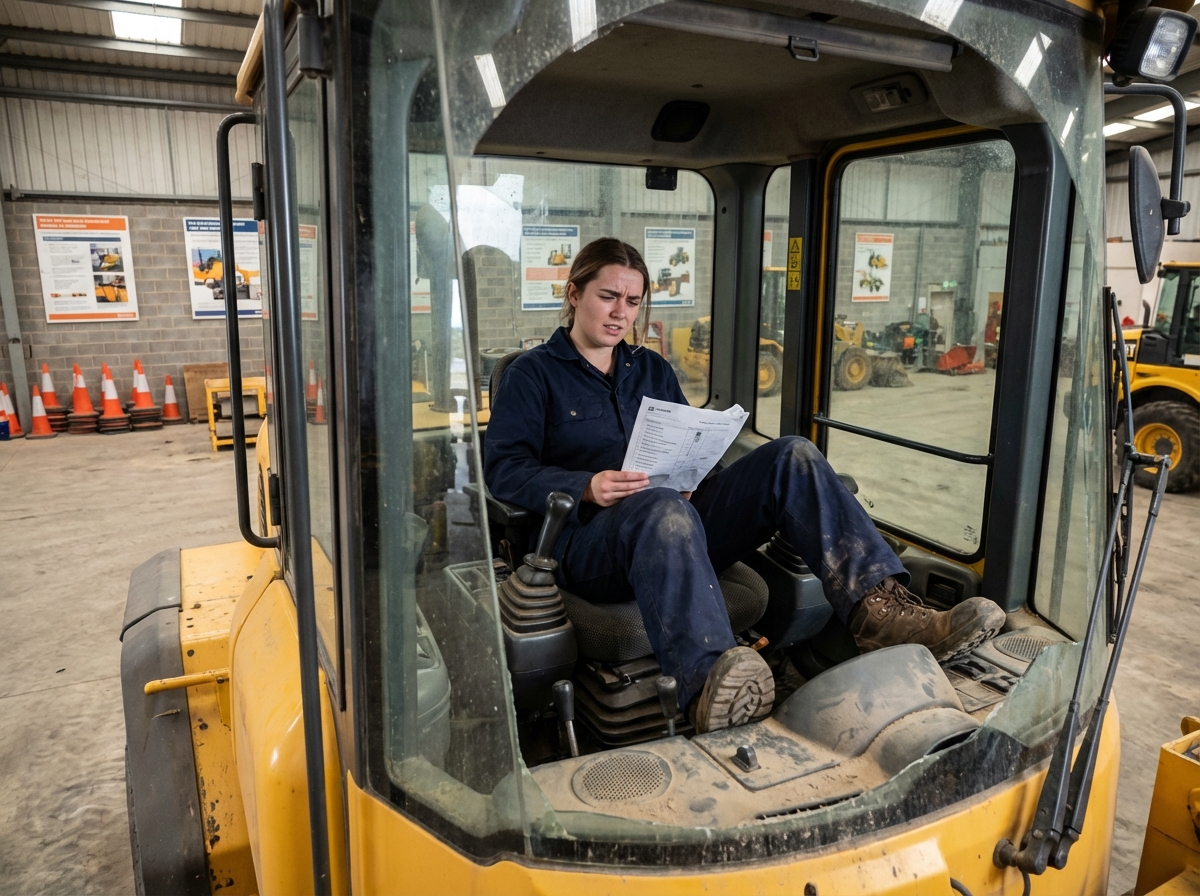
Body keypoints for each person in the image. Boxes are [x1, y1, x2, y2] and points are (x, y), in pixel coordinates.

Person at [484, 238, 1005, 734]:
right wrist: (587, 486)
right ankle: (708, 685)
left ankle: (882, 615)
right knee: (662, 509)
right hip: (591, 545)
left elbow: (685, 441)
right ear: (574, 294)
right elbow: (504, 469)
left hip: (676, 523)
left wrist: (696, 474)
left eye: (633, 301)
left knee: (793, 454)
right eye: (608, 296)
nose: (621, 312)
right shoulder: (532, 375)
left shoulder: (652, 370)